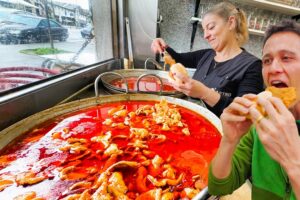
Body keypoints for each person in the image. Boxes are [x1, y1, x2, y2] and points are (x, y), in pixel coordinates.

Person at [208, 19, 300, 199]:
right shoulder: (259, 126)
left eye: (286, 58)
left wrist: (294, 163)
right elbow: (218, 188)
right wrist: (229, 140)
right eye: (267, 60)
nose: (273, 68)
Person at [151, 2, 264, 117]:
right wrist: (163, 46)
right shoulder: (207, 55)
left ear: (231, 23)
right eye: (204, 30)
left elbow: (245, 114)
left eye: (210, 27)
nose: (205, 35)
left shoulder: (252, 65)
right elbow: (178, 58)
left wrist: (205, 93)